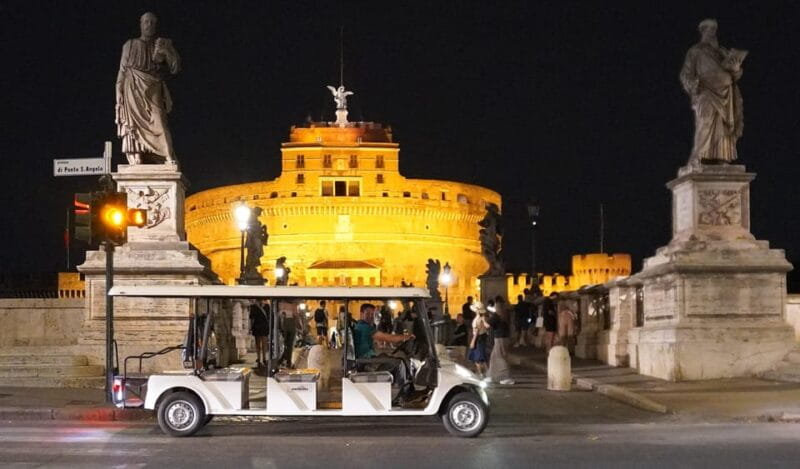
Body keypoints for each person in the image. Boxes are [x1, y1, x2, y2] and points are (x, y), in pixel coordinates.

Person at [116, 12, 180, 165]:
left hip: (153, 87)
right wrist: (118, 90)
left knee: (159, 120)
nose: (149, 25)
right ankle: (137, 154)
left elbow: (175, 67)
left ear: (155, 25)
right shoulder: (129, 45)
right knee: (134, 124)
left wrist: (166, 52)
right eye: (146, 22)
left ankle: (167, 155)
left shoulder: (161, 44)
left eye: (152, 22)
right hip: (132, 86)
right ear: (141, 24)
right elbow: (122, 70)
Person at [680, 18, 746, 166]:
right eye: (709, 29)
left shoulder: (722, 51)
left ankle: (722, 157)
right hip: (706, 91)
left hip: (725, 94)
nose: (712, 32)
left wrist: (735, 69)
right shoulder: (695, 51)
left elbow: (735, 75)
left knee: (723, 127)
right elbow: (686, 74)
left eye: (714, 29)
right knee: (705, 121)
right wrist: (693, 85)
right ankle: (697, 157)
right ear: (703, 31)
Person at [487, 296, 514, 385]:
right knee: (494, 357)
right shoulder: (504, 313)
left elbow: (488, 324)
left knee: (501, 357)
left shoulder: (497, 315)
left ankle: (506, 377)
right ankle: (492, 376)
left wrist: (483, 316)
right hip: (502, 337)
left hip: (500, 338)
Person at [468, 301, 490, 378]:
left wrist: (473, 342)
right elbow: (487, 328)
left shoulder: (477, 320)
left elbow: (476, 332)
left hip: (478, 338)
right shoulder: (483, 318)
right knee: (482, 358)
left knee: (477, 359)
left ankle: (481, 374)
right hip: (483, 338)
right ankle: (486, 373)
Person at [248, 299, 270, 368]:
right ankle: (259, 358)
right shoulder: (254, 306)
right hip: (257, 327)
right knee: (258, 344)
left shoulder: (267, 306)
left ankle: (263, 359)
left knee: (264, 344)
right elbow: (251, 318)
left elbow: (269, 317)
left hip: (263, 326)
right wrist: (250, 327)